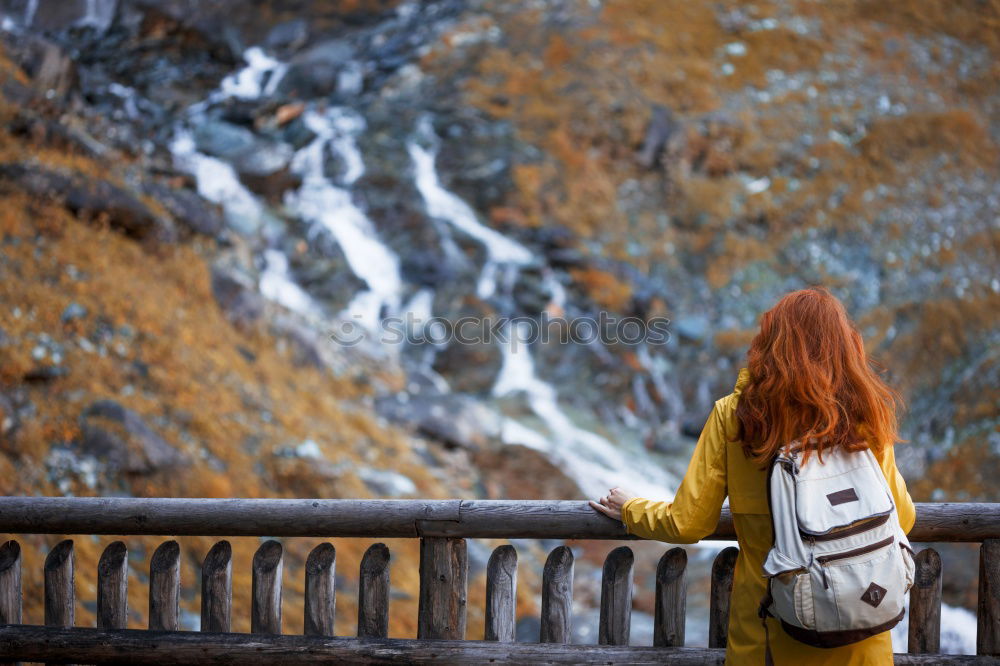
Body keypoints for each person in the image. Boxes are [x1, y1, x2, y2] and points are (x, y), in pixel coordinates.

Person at [591, 287, 915, 665]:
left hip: (771, 631)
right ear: (846, 346)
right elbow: (902, 518)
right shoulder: (864, 414)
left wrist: (630, 508)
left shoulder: (737, 415)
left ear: (770, 343)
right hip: (861, 632)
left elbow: (687, 523)